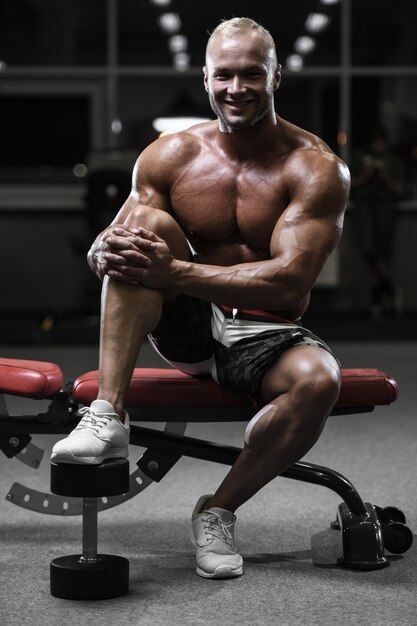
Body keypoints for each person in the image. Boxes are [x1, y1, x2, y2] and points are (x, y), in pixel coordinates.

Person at [51, 17, 350, 579]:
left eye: (251, 75)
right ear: (206, 78)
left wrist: (174, 269)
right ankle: (107, 414)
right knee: (141, 224)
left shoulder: (314, 167)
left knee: (320, 380)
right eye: (225, 75)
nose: (237, 88)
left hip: (266, 328)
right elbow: (118, 238)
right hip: (187, 323)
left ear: (276, 77)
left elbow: (290, 281)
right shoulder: (170, 155)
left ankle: (217, 510)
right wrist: (101, 252)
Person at [350, 123, 405, 320]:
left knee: (382, 251)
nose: (377, 145)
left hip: (385, 206)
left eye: (380, 141)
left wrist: (384, 177)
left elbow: (399, 189)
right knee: (369, 249)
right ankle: (391, 291)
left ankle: (376, 300)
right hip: (364, 205)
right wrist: (366, 176)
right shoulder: (358, 157)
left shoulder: (392, 160)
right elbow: (347, 184)